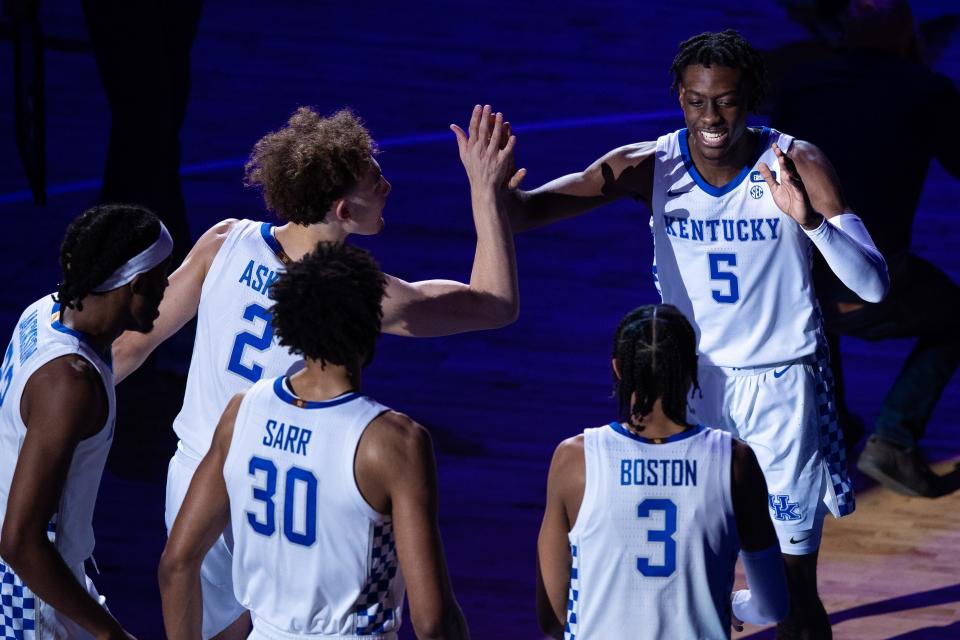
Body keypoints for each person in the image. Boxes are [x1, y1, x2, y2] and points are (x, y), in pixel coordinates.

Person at [509, 30, 888, 639]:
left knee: (792, 592)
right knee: (686, 576)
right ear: (680, 98)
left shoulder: (797, 163)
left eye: (727, 100)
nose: (710, 117)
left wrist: (810, 221)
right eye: (695, 100)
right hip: (688, 391)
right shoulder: (648, 165)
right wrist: (489, 186)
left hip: (782, 392)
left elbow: (872, 286)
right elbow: (526, 212)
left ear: (751, 98)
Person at [113, 104, 517, 639]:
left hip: (193, 482)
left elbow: (129, 348)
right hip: (283, 486)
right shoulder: (356, 296)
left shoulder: (224, 240)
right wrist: (485, 191)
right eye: (378, 180)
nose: (389, 186)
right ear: (343, 211)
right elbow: (494, 303)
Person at [159, 242, 468, 639]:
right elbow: (433, 621)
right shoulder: (393, 443)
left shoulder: (241, 413)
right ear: (370, 323)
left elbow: (176, 564)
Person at [769, 0, 960, 497]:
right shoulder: (926, 90)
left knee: (815, 294)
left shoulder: (801, 80)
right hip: (861, 280)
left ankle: (836, 425)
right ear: (906, 39)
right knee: (954, 317)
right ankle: (893, 438)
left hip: (786, 276)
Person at [536, 304, 788, 639]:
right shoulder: (734, 461)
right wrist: (733, 603)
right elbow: (773, 606)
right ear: (692, 369)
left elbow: (552, 618)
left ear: (618, 369)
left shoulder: (574, 460)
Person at [0, 204, 172, 638]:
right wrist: (110, 633)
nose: (168, 285)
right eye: (160, 277)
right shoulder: (70, 385)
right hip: (30, 590)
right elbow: (20, 540)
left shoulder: (44, 311)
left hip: (40, 573)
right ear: (135, 284)